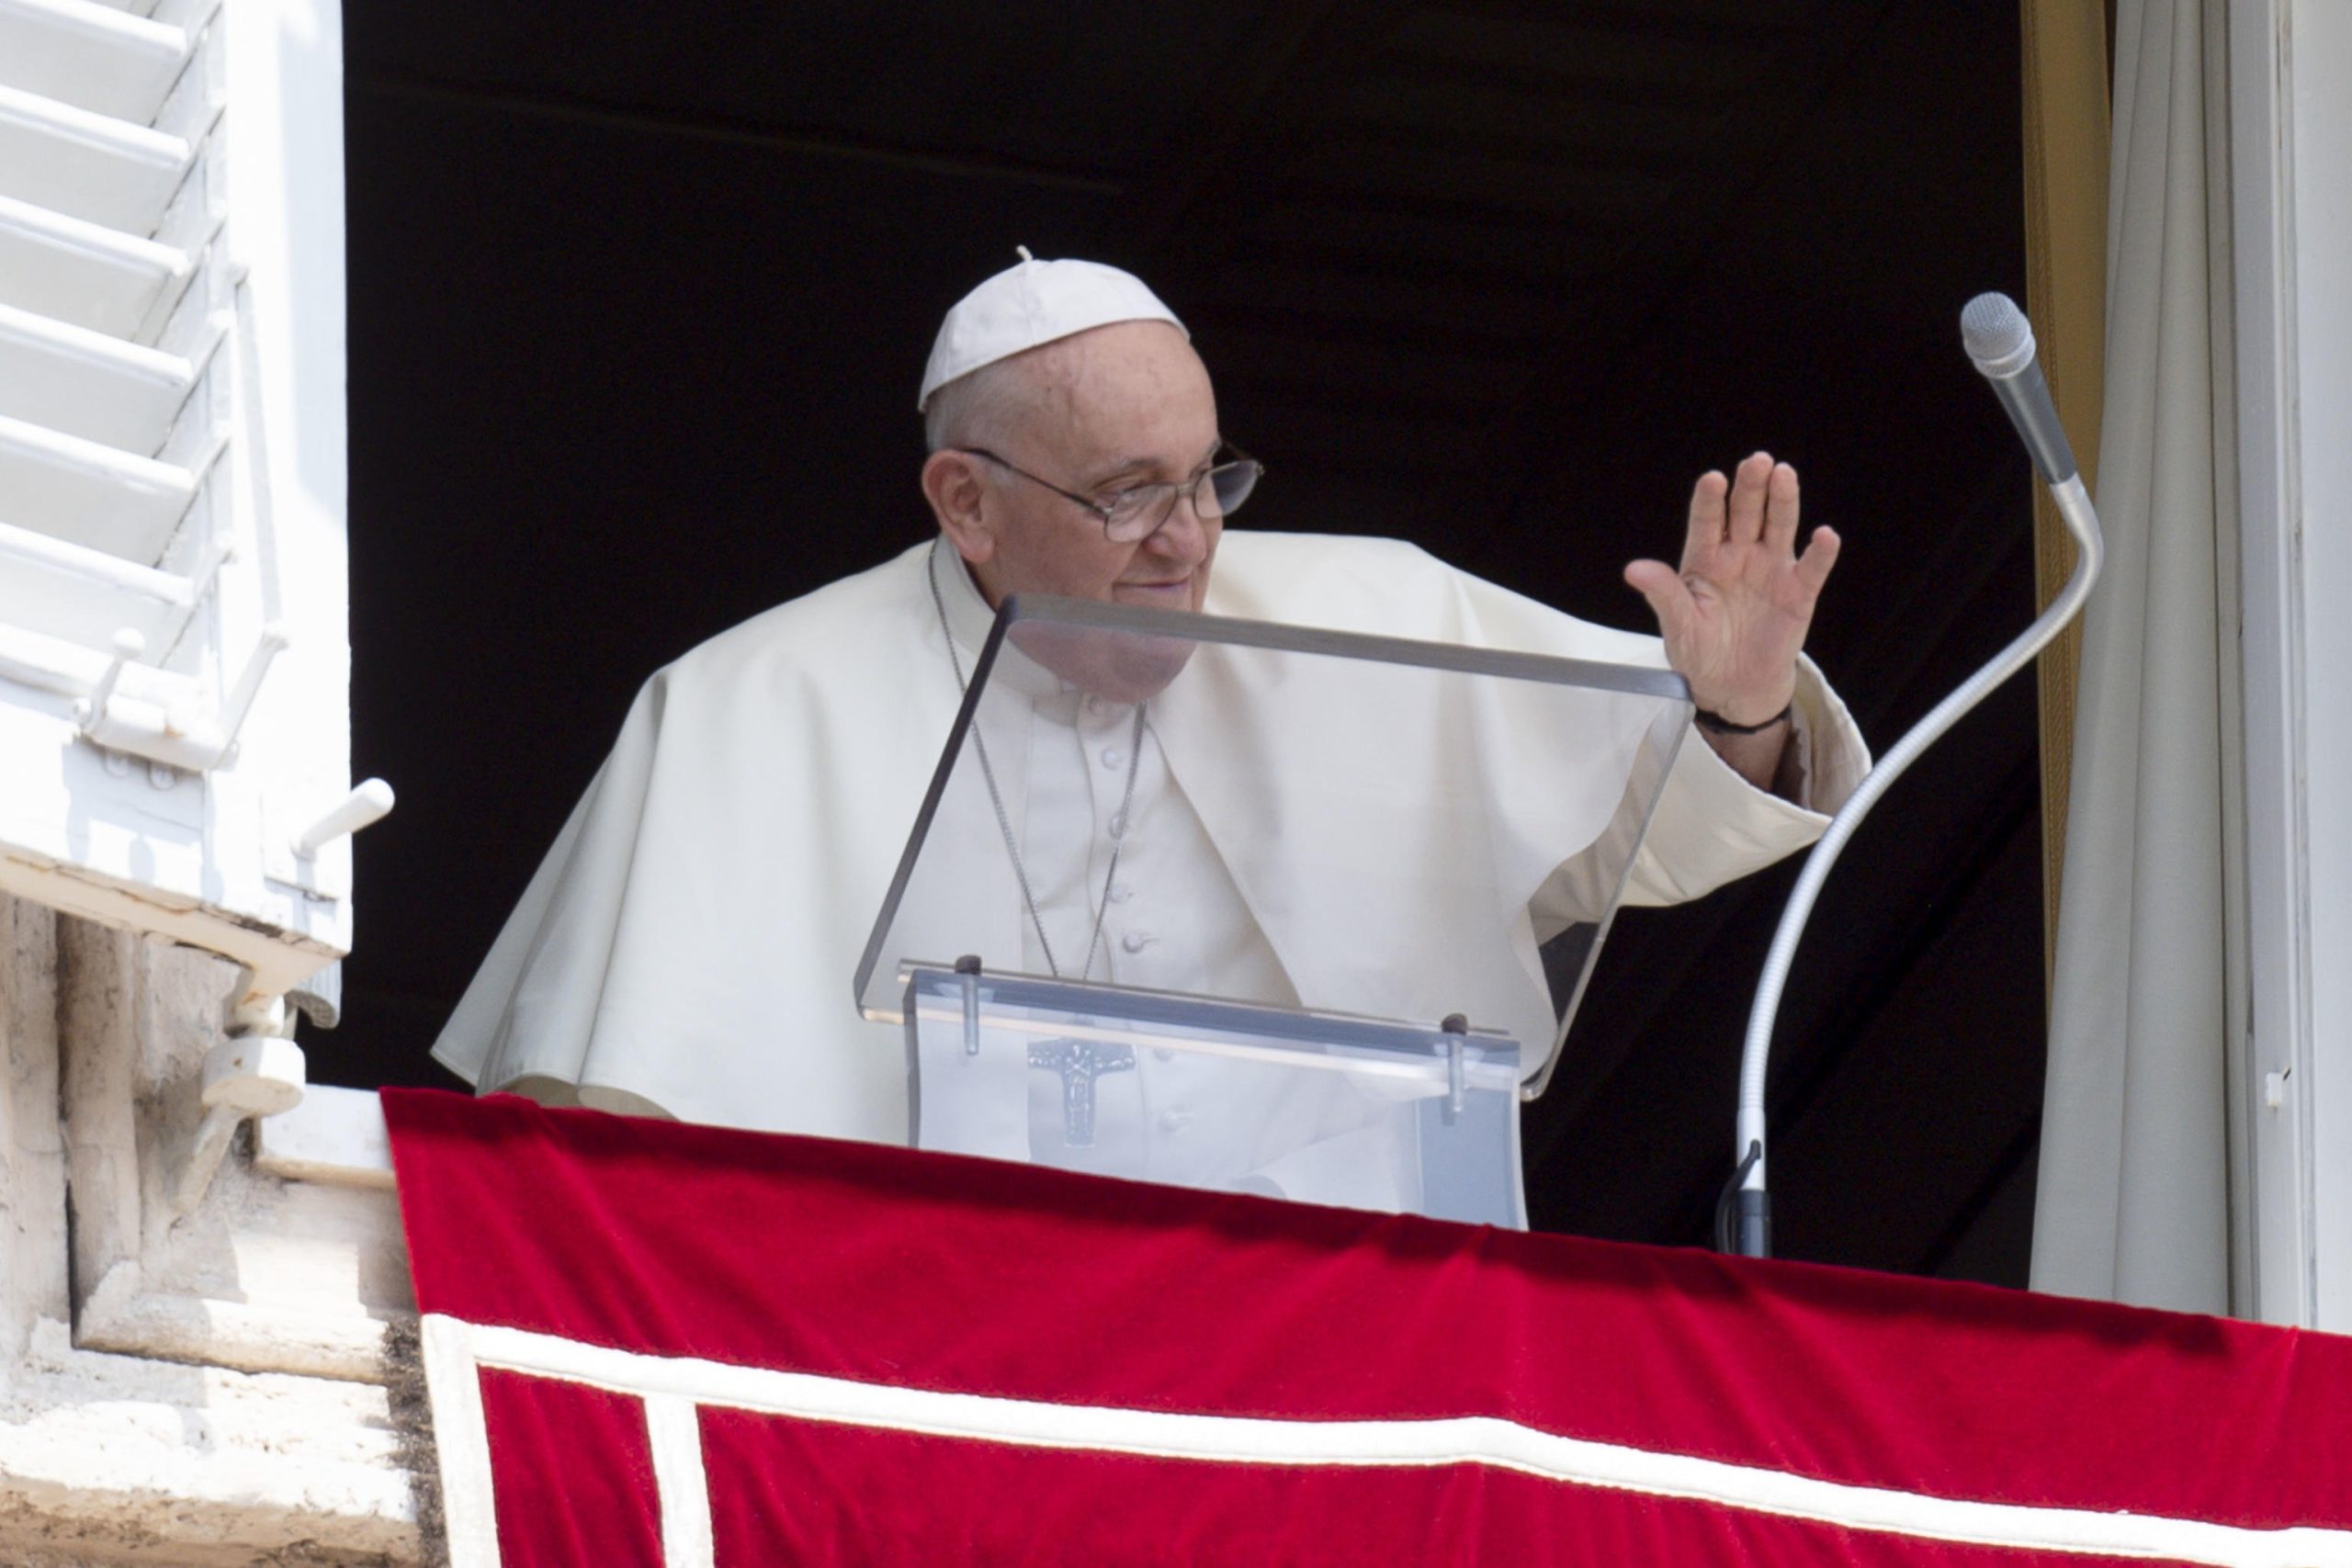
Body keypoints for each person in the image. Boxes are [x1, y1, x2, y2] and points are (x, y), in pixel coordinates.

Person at [433, 254, 1867, 1204]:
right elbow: (605, 1146)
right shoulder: (751, 706)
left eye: (1210, 480)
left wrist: (1736, 706)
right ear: (965, 501)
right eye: (1127, 494)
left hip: (1332, 1346)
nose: (1188, 543)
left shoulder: (1373, 612)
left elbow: (1661, 835)